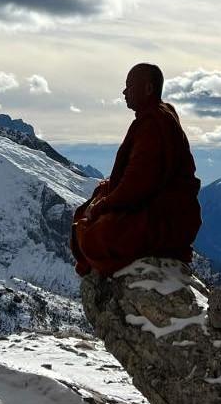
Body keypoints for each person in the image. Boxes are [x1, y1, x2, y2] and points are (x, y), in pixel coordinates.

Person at [70, 63, 202, 276]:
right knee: (92, 204)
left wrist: (103, 206)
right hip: (161, 208)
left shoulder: (152, 125)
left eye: (130, 86)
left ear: (148, 89)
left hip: (165, 216)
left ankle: (95, 265)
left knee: (98, 232)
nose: (124, 92)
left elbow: (137, 186)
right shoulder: (158, 116)